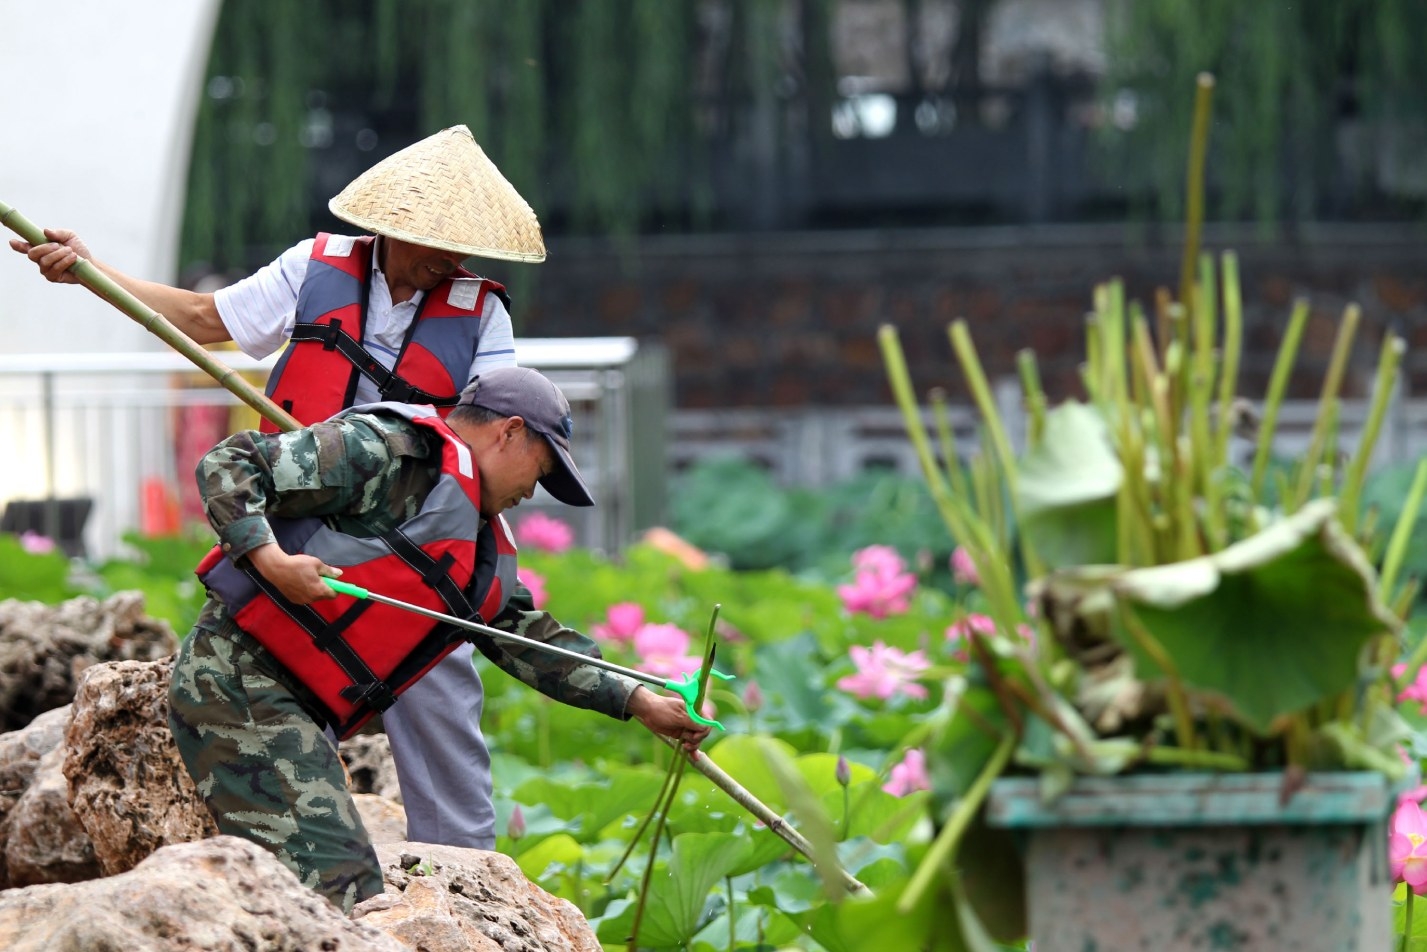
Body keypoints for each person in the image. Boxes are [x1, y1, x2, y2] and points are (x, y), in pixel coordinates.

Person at [10, 126, 547, 853]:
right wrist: (88, 270)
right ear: (392, 226)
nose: (450, 261)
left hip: (408, 540)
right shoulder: (314, 267)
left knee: (438, 687)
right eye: (437, 245)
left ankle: (463, 873)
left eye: (462, 249)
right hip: (300, 524)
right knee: (266, 675)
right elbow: (203, 320)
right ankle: (285, 858)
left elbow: (488, 436)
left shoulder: (482, 313)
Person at [169, 366, 711, 911]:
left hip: (297, 710)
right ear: (510, 432)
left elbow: (528, 637)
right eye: (541, 471)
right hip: (237, 682)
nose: (532, 492)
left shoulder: (478, 548)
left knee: (331, 895)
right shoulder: (384, 450)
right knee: (343, 890)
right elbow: (231, 463)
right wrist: (271, 560)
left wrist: (639, 701)